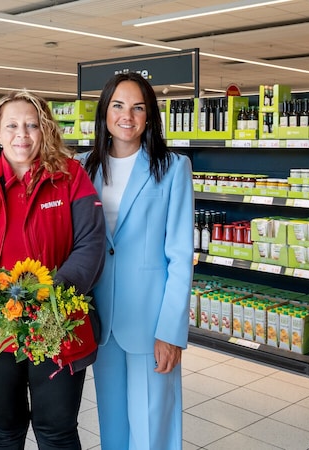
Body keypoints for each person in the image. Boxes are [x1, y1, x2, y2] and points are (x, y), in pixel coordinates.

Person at [0, 89, 106, 449]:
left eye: (32, 125)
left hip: (57, 325)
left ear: (44, 131)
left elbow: (90, 245)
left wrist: (51, 299)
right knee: (2, 428)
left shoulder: (71, 177)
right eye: (11, 125)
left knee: (57, 429)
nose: (22, 134)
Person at [83, 72, 194, 450]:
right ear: (104, 112)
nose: (126, 115)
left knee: (151, 428)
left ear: (149, 116)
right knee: (112, 426)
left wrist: (171, 330)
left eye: (137, 107)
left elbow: (180, 256)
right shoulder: (84, 167)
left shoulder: (172, 168)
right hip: (101, 318)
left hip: (150, 322)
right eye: (117, 105)